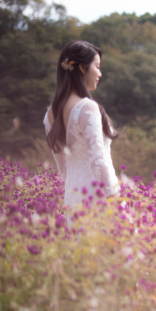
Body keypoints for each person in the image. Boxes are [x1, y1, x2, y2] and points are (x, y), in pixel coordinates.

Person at [44, 40, 120, 207]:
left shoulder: (51, 112)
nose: (100, 73)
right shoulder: (87, 108)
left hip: (73, 197)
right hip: (99, 199)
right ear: (81, 68)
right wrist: (116, 201)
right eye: (97, 66)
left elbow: (63, 168)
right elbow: (99, 161)